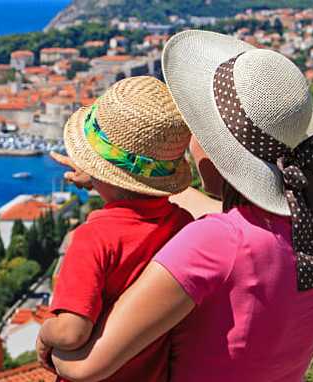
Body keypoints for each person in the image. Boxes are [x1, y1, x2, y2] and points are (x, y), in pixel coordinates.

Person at [49, 30, 313, 382]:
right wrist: (117, 178)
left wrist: (49, 347)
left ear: (216, 150)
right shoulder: (304, 224)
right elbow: (210, 214)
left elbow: (87, 366)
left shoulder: (216, 243)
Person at [36, 76, 194, 381]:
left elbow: (70, 332)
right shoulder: (183, 226)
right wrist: (101, 178)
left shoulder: (93, 238)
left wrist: (44, 334)